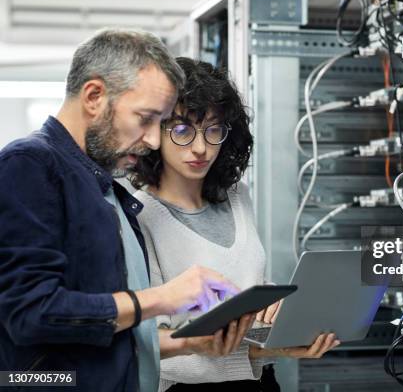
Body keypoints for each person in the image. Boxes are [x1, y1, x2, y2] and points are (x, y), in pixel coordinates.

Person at [0, 29, 254, 392]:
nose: (153, 140)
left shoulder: (104, 188)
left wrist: (189, 342)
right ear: (93, 96)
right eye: (146, 118)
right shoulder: (29, 164)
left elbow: (103, 336)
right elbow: (29, 314)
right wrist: (163, 298)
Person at [129, 57, 340, 392]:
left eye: (213, 129)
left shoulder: (238, 196)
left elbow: (248, 283)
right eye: (183, 130)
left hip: (261, 382)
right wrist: (264, 352)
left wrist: (275, 312)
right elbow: (153, 347)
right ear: (155, 131)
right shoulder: (139, 215)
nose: (201, 147)